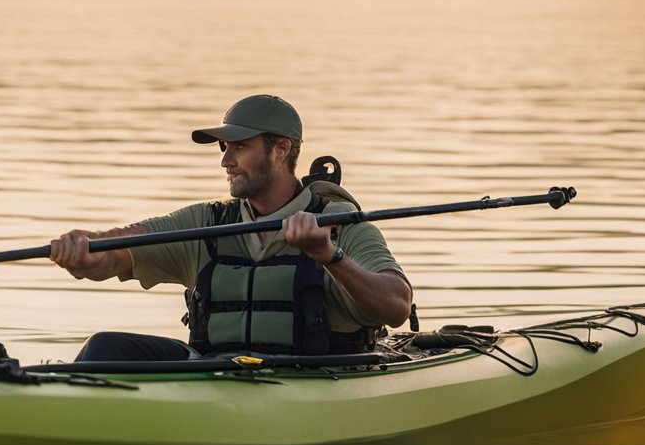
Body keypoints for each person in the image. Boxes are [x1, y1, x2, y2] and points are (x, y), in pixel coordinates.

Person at [49, 94, 413, 362]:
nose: (226, 160)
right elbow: (116, 251)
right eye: (224, 147)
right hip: (216, 378)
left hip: (312, 378)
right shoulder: (206, 223)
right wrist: (84, 248)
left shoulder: (340, 224)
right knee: (106, 347)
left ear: (281, 150)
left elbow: (397, 307)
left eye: (240, 146)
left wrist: (330, 257)